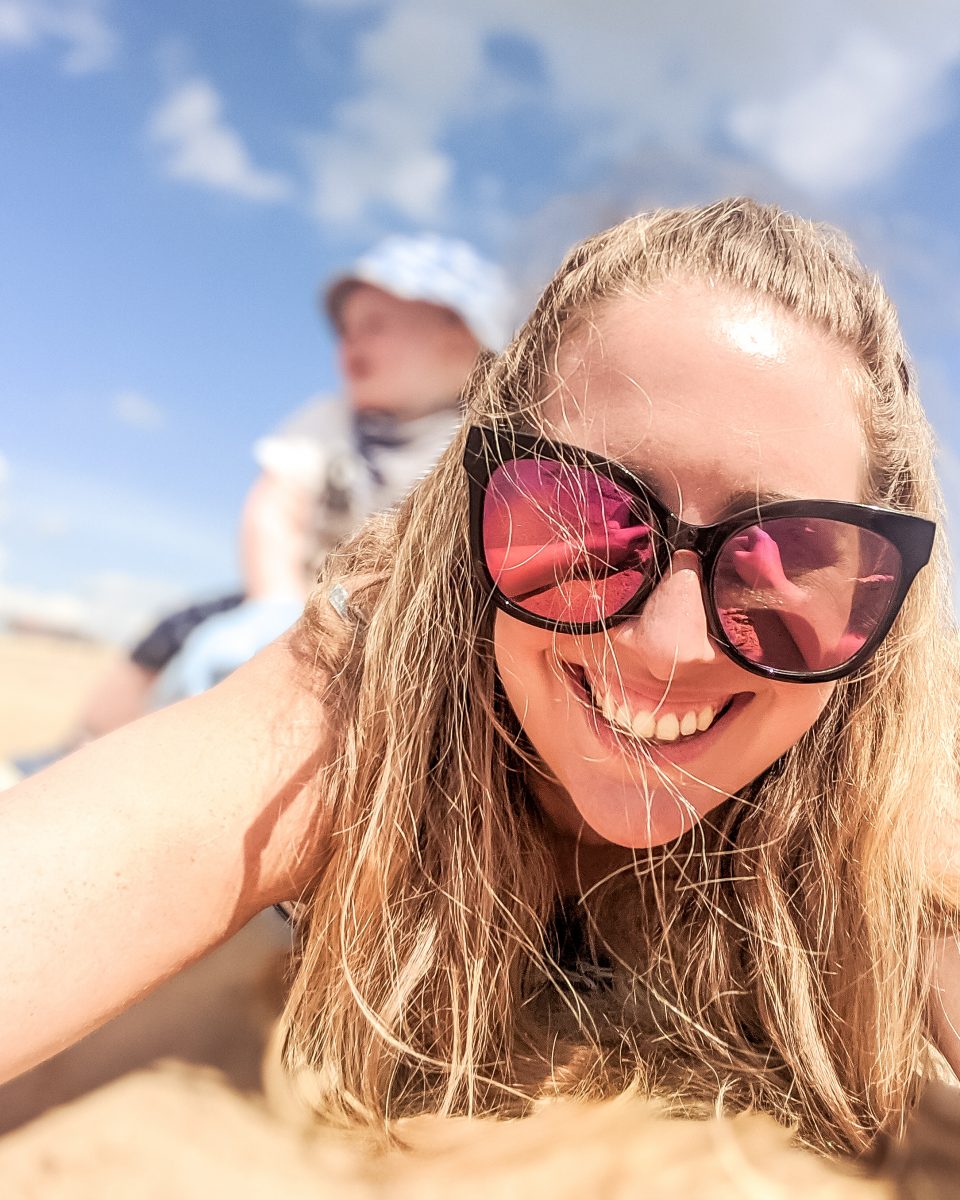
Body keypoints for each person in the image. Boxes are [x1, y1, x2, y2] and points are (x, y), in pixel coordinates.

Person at [3, 199, 959, 1161]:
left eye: (783, 558)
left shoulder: (898, 771)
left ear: (884, 599)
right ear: (474, 505)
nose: (670, 645)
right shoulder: (365, 685)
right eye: (582, 518)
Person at [78, 233, 514, 730]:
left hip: (418, 617)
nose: (352, 341)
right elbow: (277, 508)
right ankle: (87, 742)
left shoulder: (484, 442)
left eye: (374, 325)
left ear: (459, 338)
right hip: (298, 595)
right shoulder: (328, 421)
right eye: (346, 330)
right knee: (173, 633)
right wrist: (273, 601)